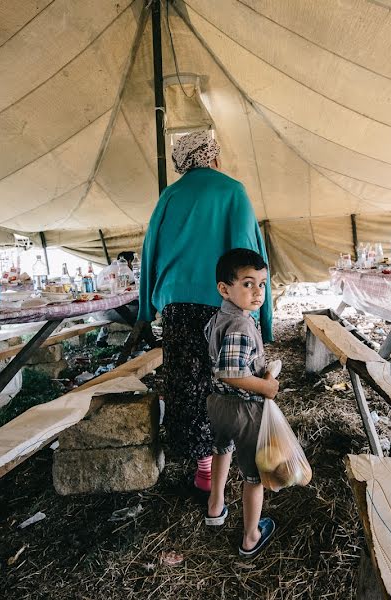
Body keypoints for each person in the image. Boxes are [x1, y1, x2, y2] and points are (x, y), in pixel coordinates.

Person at [137, 130, 272, 495]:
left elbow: (150, 250)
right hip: (223, 302)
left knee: (187, 384)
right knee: (227, 382)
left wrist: (145, 309)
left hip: (177, 305)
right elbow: (249, 256)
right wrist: (264, 316)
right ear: (213, 156)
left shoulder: (170, 195)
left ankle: (203, 468)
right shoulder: (232, 191)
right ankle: (226, 467)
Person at [203, 249, 278, 557]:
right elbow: (231, 373)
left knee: (222, 449)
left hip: (217, 405)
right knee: (254, 475)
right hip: (243, 409)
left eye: (262, 283)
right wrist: (267, 386)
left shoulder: (220, 317)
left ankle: (215, 506)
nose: (258, 292)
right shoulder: (242, 326)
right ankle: (250, 536)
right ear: (225, 288)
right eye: (248, 284)